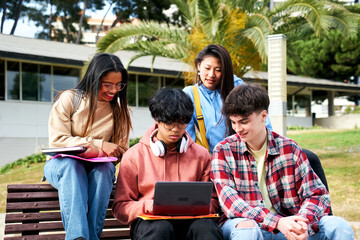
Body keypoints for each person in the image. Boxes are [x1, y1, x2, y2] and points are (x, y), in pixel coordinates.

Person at [210, 84, 354, 240]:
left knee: (339, 226)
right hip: (250, 226)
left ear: (263, 116)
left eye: (244, 122)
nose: (237, 129)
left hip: (291, 226)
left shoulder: (289, 148)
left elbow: (316, 194)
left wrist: (302, 222)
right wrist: (278, 222)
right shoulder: (223, 151)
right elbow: (231, 204)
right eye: (233, 122)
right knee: (247, 230)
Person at [112, 87, 223, 240]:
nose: (176, 130)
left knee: (206, 228)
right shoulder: (135, 155)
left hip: (192, 222)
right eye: (169, 123)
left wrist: (196, 207)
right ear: (157, 118)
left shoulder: (201, 155)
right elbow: (120, 207)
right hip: (152, 224)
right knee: (161, 228)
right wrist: (149, 206)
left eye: (182, 123)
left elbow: (213, 201)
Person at [43, 53, 132, 240]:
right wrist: (98, 145)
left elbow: (121, 151)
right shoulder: (70, 99)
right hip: (61, 167)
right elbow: (58, 140)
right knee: (72, 166)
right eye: (107, 85)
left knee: (105, 168)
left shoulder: (119, 111)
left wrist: (103, 153)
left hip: (97, 168)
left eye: (119, 85)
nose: (113, 90)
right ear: (94, 78)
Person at [183, 44, 272, 154]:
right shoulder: (190, 94)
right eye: (207, 68)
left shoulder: (236, 86)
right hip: (214, 160)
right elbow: (187, 138)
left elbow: (263, 122)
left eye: (218, 70)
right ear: (199, 66)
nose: (211, 75)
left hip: (245, 156)